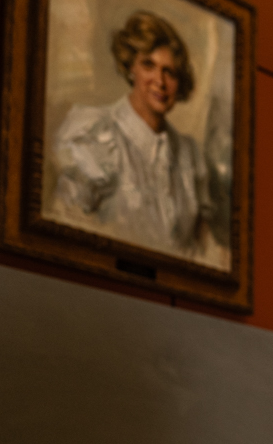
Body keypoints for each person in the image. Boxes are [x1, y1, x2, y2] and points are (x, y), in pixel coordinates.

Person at [51, 11, 223, 267]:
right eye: (148, 65)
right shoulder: (95, 133)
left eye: (170, 72)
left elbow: (201, 251)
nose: (160, 82)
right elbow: (63, 228)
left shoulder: (190, 155)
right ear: (131, 67)